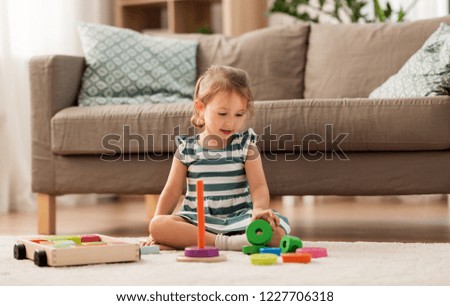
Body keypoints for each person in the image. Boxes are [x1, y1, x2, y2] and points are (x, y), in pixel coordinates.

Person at [143, 65, 290, 250]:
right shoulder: (187, 149)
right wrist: (153, 232)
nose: (231, 122)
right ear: (201, 108)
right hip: (197, 221)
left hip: (239, 218)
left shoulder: (246, 146)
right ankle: (226, 243)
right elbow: (171, 191)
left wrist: (258, 211)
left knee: (278, 233)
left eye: (239, 114)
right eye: (222, 113)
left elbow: (259, 187)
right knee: (157, 225)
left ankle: (204, 242)